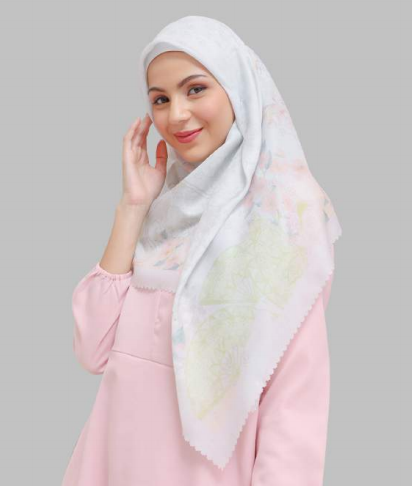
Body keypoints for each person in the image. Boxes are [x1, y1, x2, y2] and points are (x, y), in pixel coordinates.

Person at [61, 15, 342, 485]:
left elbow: (294, 410)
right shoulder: (159, 215)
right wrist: (133, 208)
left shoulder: (284, 220)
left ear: (238, 89)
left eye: (195, 89)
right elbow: (92, 350)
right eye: (160, 99)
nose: (176, 115)